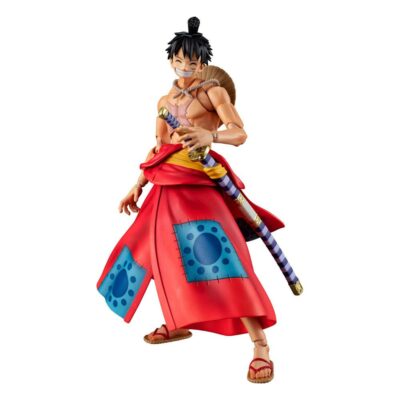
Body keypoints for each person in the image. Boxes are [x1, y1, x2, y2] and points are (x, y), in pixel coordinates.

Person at [97, 16, 285, 384]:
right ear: (171, 60)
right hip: (165, 186)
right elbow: (159, 147)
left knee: (221, 259)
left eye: (193, 62)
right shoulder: (164, 101)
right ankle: (178, 321)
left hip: (201, 187)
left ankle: (260, 345)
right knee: (162, 257)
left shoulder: (213, 94)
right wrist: (138, 183)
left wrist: (209, 136)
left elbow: (240, 133)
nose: (185, 67)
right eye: (179, 60)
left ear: (202, 64)